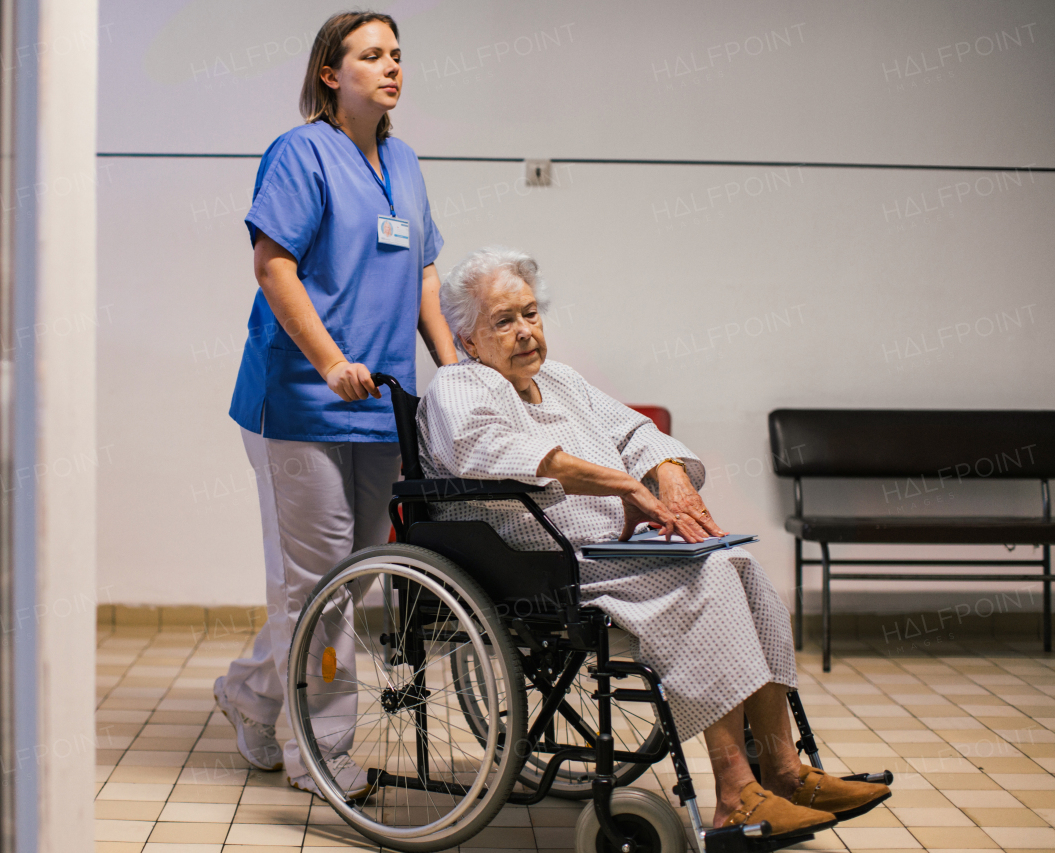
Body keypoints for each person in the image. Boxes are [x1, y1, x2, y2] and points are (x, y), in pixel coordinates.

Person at [416, 247, 890, 836]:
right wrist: (622, 483)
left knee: (737, 564)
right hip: (538, 565)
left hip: (607, 555)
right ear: (466, 338)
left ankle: (785, 772)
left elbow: (635, 430)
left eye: (531, 314)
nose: (525, 332)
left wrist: (665, 469)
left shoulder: (558, 380)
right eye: (503, 321)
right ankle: (736, 793)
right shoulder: (460, 386)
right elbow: (489, 453)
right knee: (710, 579)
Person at [214, 11, 458, 798]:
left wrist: (453, 370)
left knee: (347, 580)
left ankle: (249, 691)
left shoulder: (407, 163)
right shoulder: (300, 153)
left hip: (382, 403)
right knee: (317, 582)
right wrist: (329, 362)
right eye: (370, 55)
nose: (391, 67)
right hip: (301, 403)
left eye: (397, 55)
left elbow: (423, 273)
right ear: (331, 72)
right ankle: (320, 750)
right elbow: (273, 266)